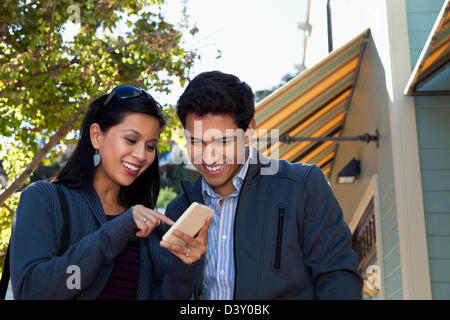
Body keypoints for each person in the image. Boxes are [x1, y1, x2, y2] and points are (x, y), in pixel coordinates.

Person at [165, 71, 363, 299]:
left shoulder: (302, 186)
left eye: (223, 141)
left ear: (248, 132)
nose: (209, 157)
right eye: (196, 142)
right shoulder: (178, 211)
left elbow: (339, 278)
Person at [10, 85, 210, 300]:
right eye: (131, 140)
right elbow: (33, 291)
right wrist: (116, 231)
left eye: (150, 146)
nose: (142, 155)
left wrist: (184, 265)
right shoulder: (44, 198)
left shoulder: (149, 227)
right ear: (96, 136)